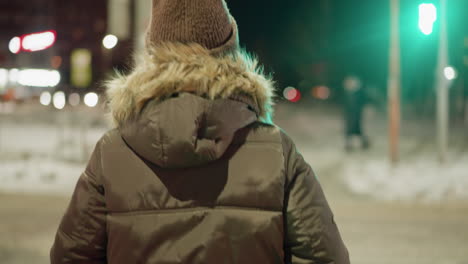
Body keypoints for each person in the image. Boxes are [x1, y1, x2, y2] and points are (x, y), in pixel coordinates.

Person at [50, 0, 350, 263]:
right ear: (229, 54)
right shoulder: (276, 151)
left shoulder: (113, 151)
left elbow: (72, 255)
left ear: (153, 54)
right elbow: (323, 256)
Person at [343, 74, 370, 151]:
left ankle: (361, 143)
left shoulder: (358, 94)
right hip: (351, 116)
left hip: (355, 115)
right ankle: (350, 144)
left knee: (356, 129)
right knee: (351, 130)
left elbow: (361, 103)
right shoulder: (349, 94)